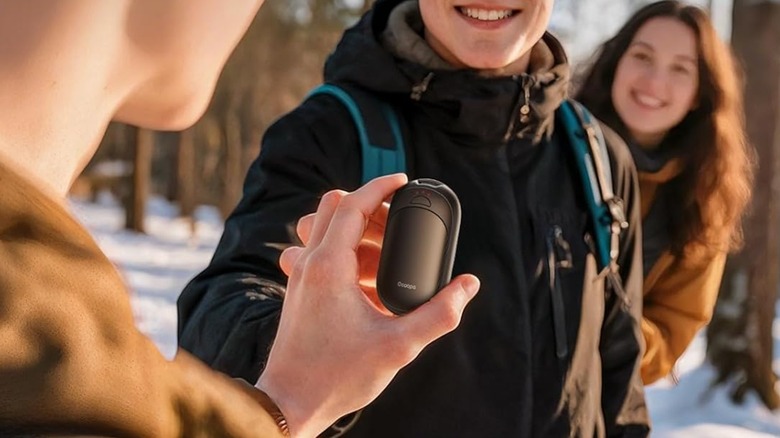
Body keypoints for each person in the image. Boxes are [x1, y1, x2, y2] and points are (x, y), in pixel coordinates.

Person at [0, 1, 481, 437]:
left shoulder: (45, 334)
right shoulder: (46, 354)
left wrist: (290, 400)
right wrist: (287, 387)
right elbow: (226, 291)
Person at [178, 0, 650, 436]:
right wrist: (297, 353)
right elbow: (218, 311)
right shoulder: (327, 132)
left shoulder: (598, 156)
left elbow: (620, 372)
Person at [575, 0, 754, 385]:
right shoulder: (552, 139)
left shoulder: (706, 198)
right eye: (642, 56)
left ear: (699, 94)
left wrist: (595, 326)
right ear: (615, 62)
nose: (655, 82)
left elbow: (673, 332)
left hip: (600, 395)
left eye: (680, 69)